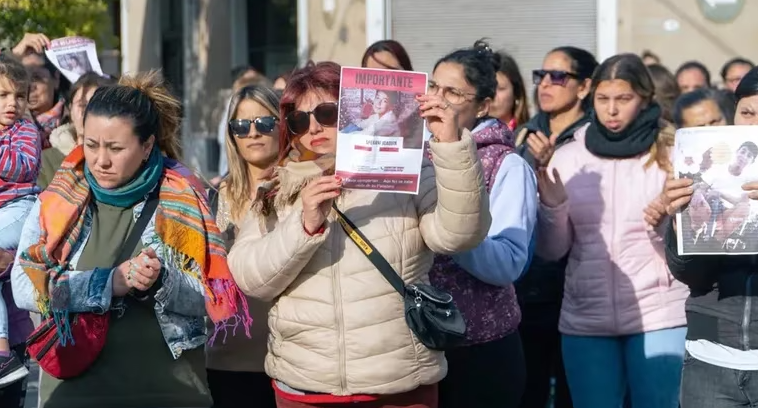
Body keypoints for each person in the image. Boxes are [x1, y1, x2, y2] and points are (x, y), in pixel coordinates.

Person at [227, 60, 490, 408]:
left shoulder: (407, 171)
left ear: (354, 109)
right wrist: (303, 225)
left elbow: (458, 236)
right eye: (299, 120)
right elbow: (251, 278)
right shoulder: (278, 187)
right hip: (306, 385)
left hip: (398, 385)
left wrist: (451, 146)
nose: (314, 127)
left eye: (326, 112)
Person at [11, 70, 251, 408]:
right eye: (91, 145)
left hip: (172, 393)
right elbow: (26, 287)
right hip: (75, 395)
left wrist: (161, 282)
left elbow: (211, 298)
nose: (101, 160)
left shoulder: (183, 201)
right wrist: (108, 282)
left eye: (116, 148)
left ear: (147, 144)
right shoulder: (55, 202)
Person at [536, 53, 688, 408]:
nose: (612, 110)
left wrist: (665, 220)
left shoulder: (670, 154)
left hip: (659, 312)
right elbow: (552, 251)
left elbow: (690, 245)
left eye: (624, 99)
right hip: (585, 317)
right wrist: (553, 208)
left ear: (645, 99)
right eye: (603, 100)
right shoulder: (569, 156)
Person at [425, 40, 536, 408]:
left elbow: (508, 262)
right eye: (433, 87)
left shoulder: (507, 165)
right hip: (416, 345)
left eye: (453, 93)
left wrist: (451, 230)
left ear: (484, 105)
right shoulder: (410, 156)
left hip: (481, 349)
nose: (437, 100)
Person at [663, 64, 758, 408]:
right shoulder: (710, 174)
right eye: (747, 112)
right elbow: (691, 274)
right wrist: (681, 224)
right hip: (710, 360)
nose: (754, 124)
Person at [514, 45, 598, 408]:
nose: (545, 84)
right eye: (541, 76)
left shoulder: (594, 140)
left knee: (572, 392)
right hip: (527, 286)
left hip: (574, 287)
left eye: (558, 76)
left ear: (584, 87)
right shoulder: (526, 136)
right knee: (528, 390)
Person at [206, 85, 281, 408]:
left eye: (265, 123)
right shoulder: (216, 197)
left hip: (288, 362)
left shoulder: (302, 192)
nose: (253, 133)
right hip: (224, 361)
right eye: (241, 126)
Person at [0, 53, 39, 388]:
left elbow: (20, 167)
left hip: (19, 209)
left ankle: (2, 353)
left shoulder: (25, 130)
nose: (12, 104)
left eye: (20, 96)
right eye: (2, 95)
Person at [38, 72, 116, 189]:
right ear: (70, 110)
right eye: (82, 105)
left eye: (94, 105)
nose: (87, 112)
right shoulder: (46, 160)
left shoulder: (115, 160)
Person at [489, 51, 529, 131]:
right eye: (488, 88)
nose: (492, 95)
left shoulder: (531, 136)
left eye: (500, 88)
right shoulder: (466, 134)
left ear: (516, 92)